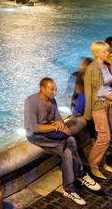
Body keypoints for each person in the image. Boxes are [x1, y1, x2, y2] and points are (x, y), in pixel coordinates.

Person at [25, 78, 100, 206]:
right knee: (67, 150)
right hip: (36, 136)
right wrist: (55, 127)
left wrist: (60, 124)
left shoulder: (52, 100)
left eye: (55, 89)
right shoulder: (31, 101)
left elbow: (58, 117)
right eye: (51, 89)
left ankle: (80, 174)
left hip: (49, 133)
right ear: (42, 88)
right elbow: (33, 127)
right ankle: (69, 188)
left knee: (70, 139)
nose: (54, 92)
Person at [84, 42, 112, 180]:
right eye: (105, 51)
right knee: (104, 137)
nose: (108, 53)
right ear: (97, 53)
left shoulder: (109, 66)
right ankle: (93, 164)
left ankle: (103, 162)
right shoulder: (93, 68)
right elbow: (99, 90)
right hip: (99, 106)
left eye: (107, 51)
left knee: (108, 135)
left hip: (111, 105)